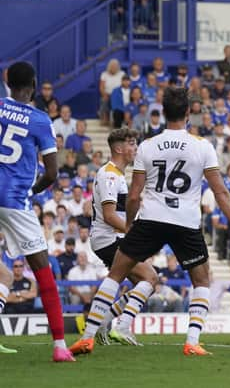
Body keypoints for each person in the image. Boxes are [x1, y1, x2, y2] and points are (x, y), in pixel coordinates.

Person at [69, 88, 230, 356]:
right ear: (188, 113)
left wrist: (131, 226)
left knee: (116, 274)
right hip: (186, 222)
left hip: (152, 219)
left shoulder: (148, 145)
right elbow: (220, 192)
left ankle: (87, 337)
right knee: (201, 281)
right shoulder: (202, 145)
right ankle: (192, 342)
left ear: (163, 113)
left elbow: (133, 195)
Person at [0, 61, 75, 361]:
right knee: (43, 270)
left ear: (8, 82)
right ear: (33, 85)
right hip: (15, 201)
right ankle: (59, 346)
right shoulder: (41, 120)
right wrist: (31, 191)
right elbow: (53, 173)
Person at [70, 128, 160, 351]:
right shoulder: (110, 175)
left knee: (145, 281)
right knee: (149, 278)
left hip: (110, 238)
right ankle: (120, 326)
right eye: (131, 144)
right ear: (119, 148)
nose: (135, 148)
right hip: (108, 238)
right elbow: (110, 216)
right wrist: (134, 232)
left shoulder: (116, 174)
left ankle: (102, 324)